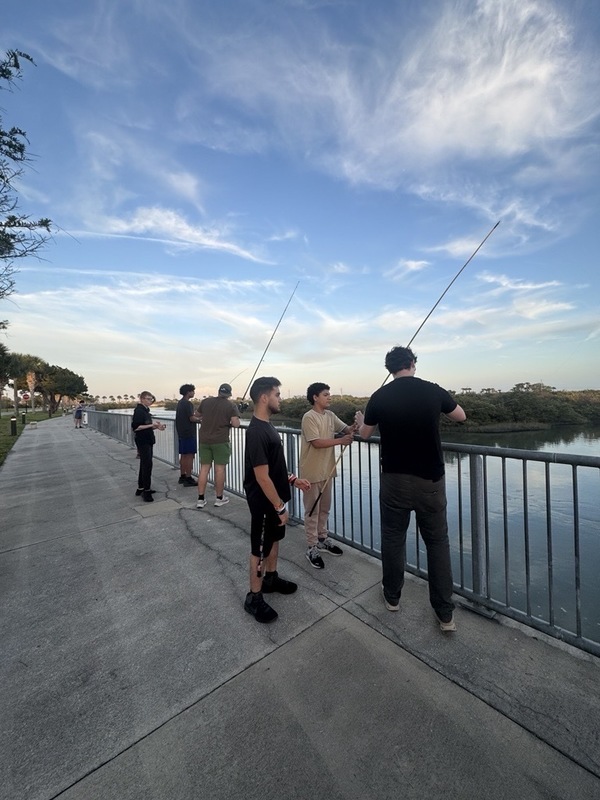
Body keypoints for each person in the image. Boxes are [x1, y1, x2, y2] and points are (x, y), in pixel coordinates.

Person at [355, 346, 466, 632]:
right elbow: (461, 416)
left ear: (389, 368)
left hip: (394, 479)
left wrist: (360, 421)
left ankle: (392, 598)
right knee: (437, 542)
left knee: (393, 538)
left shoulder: (380, 396)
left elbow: (365, 434)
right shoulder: (433, 390)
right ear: (412, 363)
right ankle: (445, 614)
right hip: (430, 481)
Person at [243, 376, 310, 623]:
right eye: (277, 395)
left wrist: (293, 479)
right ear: (264, 398)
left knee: (273, 539)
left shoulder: (268, 426)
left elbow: (273, 466)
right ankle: (254, 597)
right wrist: (280, 507)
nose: (280, 399)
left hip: (274, 499)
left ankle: (270, 578)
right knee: (259, 547)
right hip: (264, 502)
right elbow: (261, 476)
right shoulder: (256, 431)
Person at [299, 383, 356, 568]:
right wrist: (340, 441)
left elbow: (347, 429)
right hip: (311, 472)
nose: (329, 397)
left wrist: (355, 426)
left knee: (324, 508)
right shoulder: (309, 417)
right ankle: (312, 546)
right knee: (312, 510)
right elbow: (316, 442)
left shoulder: (330, 415)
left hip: (327, 470)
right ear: (315, 397)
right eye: (325, 394)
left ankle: (323, 539)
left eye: (329, 394)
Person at [196, 383, 241, 508]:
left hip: (204, 440)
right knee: (219, 469)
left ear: (218, 391)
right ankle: (219, 498)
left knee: (204, 469)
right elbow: (236, 424)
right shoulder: (231, 405)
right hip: (220, 441)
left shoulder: (206, 401)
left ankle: (200, 499)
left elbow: (197, 415)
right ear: (229, 394)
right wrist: (237, 415)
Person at [132, 391, 166, 503]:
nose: (150, 401)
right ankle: (146, 491)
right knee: (147, 465)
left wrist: (157, 427)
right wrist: (152, 425)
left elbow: (146, 426)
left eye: (151, 399)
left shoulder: (146, 410)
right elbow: (136, 427)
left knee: (144, 464)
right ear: (142, 399)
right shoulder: (139, 411)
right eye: (148, 399)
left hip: (148, 439)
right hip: (143, 441)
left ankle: (141, 488)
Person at [175, 384, 201, 486]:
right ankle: (189, 478)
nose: (194, 393)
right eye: (193, 391)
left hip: (181, 432)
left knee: (183, 455)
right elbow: (192, 418)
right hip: (189, 433)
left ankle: (182, 476)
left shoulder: (180, 403)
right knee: (190, 456)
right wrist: (200, 419)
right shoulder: (188, 404)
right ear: (188, 392)